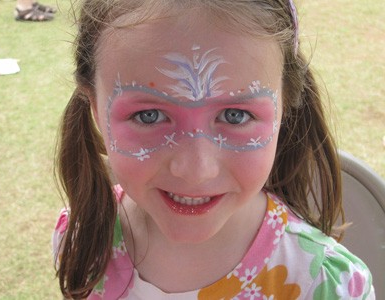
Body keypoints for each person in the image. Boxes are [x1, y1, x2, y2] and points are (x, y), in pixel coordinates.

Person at [52, 0, 376, 299]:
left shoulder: (325, 285)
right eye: (148, 116)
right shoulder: (82, 241)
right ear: (95, 109)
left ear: (283, 110)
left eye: (235, 116)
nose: (196, 170)